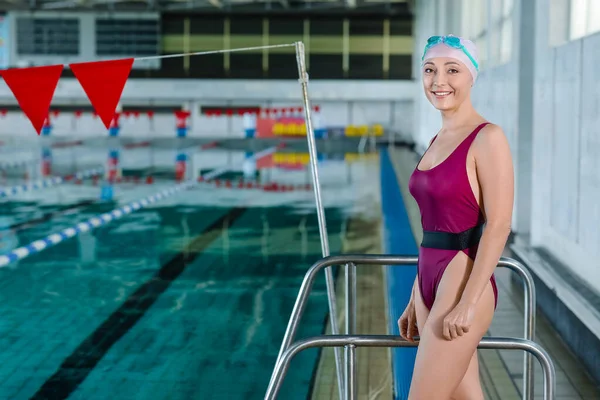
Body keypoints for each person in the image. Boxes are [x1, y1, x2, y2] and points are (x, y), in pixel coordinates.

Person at [398, 35, 514, 399]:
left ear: (472, 76)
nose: (438, 81)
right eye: (429, 70)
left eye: (452, 70)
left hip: (461, 280)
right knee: (466, 395)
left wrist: (468, 301)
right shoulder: (438, 138)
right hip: (429, 277)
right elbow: (433, 226)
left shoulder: (487, 137)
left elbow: (498, 225)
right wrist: (415, 294)